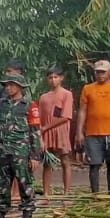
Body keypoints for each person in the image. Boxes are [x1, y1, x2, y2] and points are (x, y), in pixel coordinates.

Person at [75, 59, 110, 195]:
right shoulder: (88, 89)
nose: (100, 75)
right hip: (93, 134)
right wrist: (79, 132)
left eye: (103, 72)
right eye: (98, 72)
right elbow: (82, 111)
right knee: (94, 165)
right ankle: (95, 195)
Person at [0, 76, 41, 218]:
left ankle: (27, 217)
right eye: (7, 85)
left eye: (12, 85)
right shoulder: (0, 105)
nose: (8, 88)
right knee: (2, 185)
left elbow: (35, 132)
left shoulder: (30, 106)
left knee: (25, 184)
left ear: (20, 87)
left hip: (21, 153)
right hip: (3, 152)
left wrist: (35, 156)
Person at [38, 68, 75, 196]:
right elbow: (40, 119)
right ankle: (46, 194)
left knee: (65, 160)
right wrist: (41, 135)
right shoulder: (43, 97)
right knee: (48, 163)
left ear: (61, 78)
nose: (53, 80)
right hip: (46, 133)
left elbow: (65, 117)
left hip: (61, 131)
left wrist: (45, 128)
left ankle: (66, 193)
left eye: (56, 77)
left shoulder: (66, 94)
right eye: (50, 77)